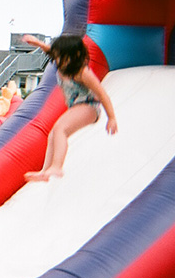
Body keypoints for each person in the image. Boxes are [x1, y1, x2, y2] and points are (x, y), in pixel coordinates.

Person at [22, 34, 118, 181]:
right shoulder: (62, 61)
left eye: (64, 57)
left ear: (76, 56)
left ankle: (57, 167)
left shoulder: (82, 72)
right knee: (53, 133)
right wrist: (38, 43)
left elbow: (102, 94)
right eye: (58, 57)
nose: (60, 61)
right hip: (76, 106)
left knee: (61, 128)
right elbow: (52, 50)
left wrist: (111, 118)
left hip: (89, 106)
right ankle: (45, 171)